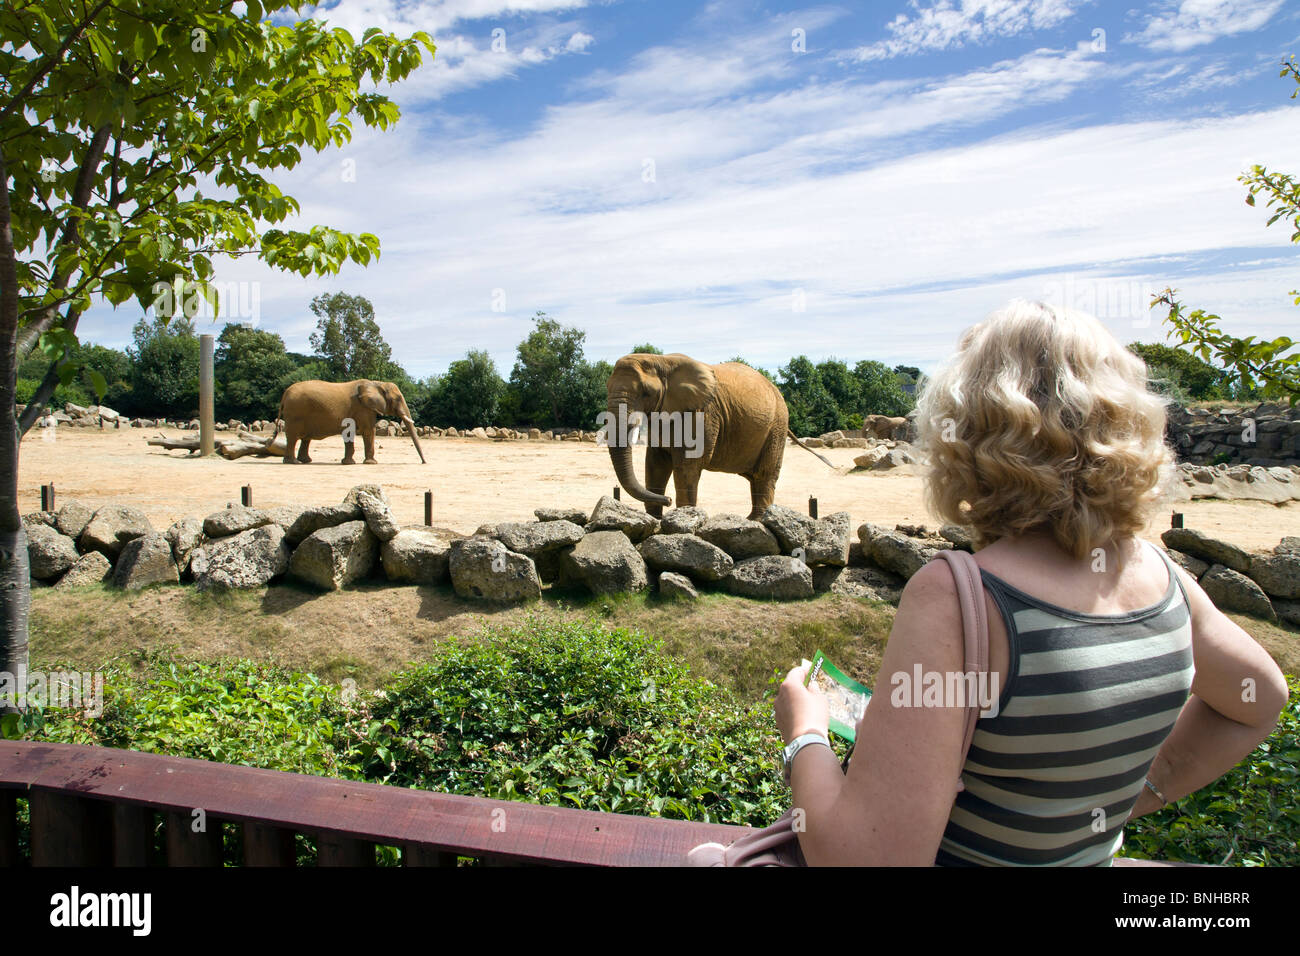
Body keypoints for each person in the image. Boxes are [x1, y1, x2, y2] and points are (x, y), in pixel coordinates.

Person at [775, 299, 1289, 866]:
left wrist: (806, 733)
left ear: (965, 433)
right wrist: (1115, 799)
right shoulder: (1164, 578)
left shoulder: (959, 596)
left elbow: (861, 861)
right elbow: (1259, 700)